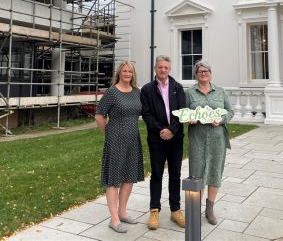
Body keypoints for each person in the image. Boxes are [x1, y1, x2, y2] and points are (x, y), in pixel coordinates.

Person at [95, 61, 144, 234]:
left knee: (129, 177)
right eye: (124, 71)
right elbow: (99, 115)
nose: (127, 74)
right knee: (114, 179)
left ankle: (122, 212)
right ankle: (114, 219)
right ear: (119, 73)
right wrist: (108, 133)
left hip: (132, 139)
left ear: (133, 74)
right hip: (115, 139)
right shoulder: (112, 92)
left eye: (130, 71)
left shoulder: (137, 92)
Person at [185, 60, 234, 225]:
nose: (203, 73)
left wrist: (221, 119)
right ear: (196, 75)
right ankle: (194, 207)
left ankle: (210, 208)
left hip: (217, 138)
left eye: (206, 71)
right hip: (197, 137)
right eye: (200, 71)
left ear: (210, 74)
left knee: (214, 171)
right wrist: (188, 118)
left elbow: (231, 111)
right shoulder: (190, 93)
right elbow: (183, 112)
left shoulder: (220, 92)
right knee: (196, 172)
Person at [140, 55, 186, 230]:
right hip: (156, 139)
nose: (163, 70)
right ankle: (154, 210)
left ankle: (175, 210)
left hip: (176, 139)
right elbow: (147, 114)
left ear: (169, 69)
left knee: (175, 174)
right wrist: (161, 130)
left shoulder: (178, 87)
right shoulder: (146, 89)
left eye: (166, 67)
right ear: (155, 69)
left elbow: (183, 112)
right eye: (160, 67)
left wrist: (172, 130)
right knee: (157, 174)